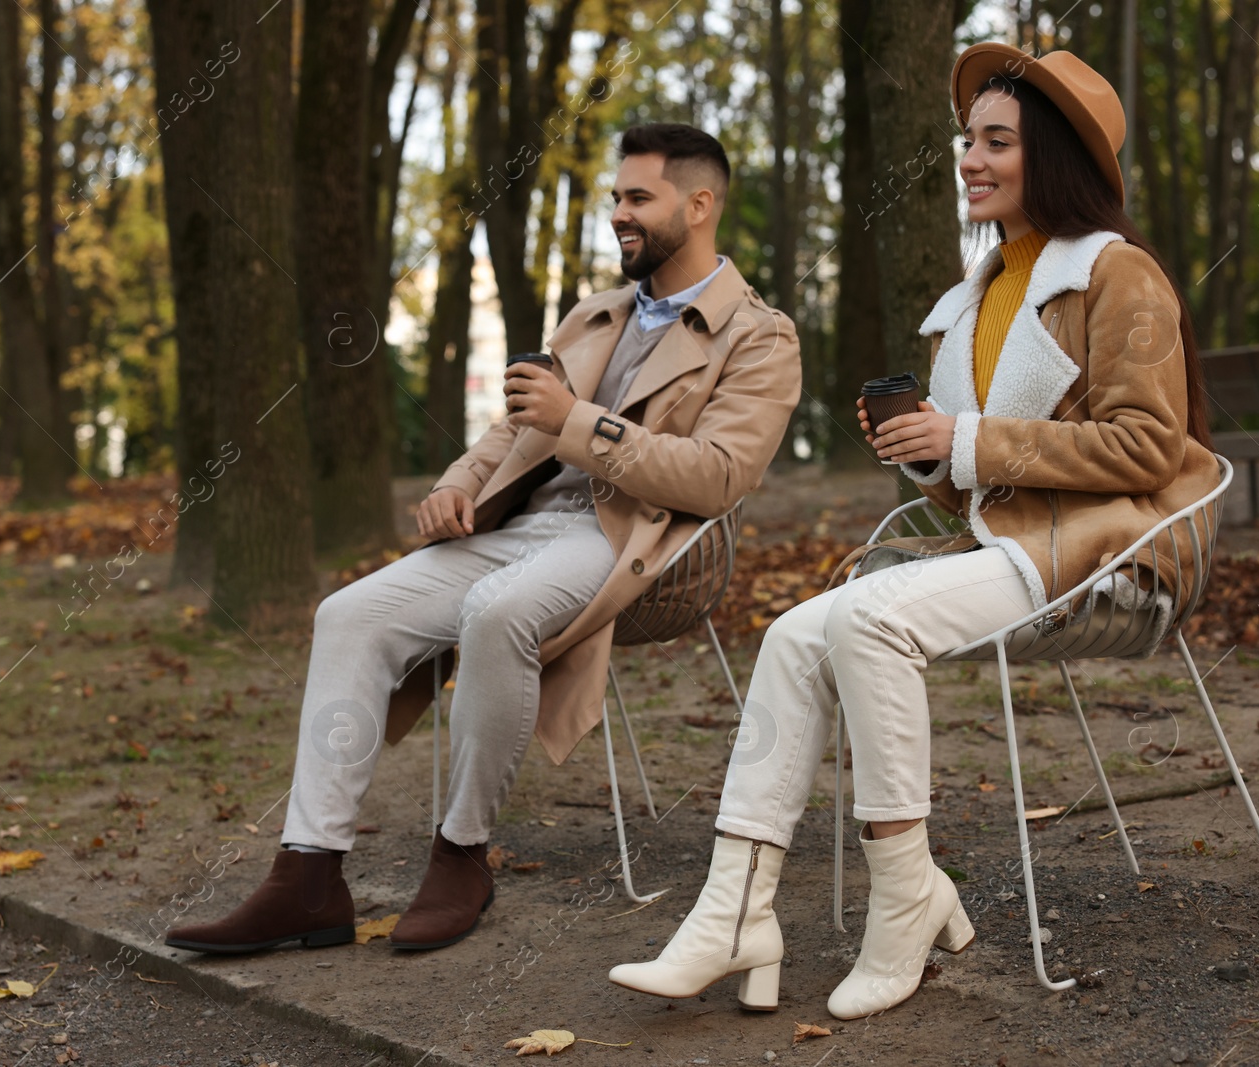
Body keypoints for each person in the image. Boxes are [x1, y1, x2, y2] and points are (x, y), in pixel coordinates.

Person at [609, 46, 1219, 1018]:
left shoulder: (1117, 272)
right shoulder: (972, 299)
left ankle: (907, 897)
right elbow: (980, 492)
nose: (968, 157)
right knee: (793, 630)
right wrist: (930, 457)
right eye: (964, 140)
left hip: (1117, 552)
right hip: (1015, 549)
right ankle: (732, 916)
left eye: (996, 140)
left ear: (1054, 155)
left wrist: (966, 438)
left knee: (869, 622)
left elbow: (1148, 447)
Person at [166, 123, 801, 955]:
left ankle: (461, 854)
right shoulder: (596, 313)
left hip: (629, 538)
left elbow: (720, 475)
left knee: (498, 612)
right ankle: (308, 875)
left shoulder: (760, 334)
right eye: (615, 197)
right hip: (525, 524)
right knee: (349, 613)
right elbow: (515, 432)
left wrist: (580, 422)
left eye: (638, 198)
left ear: (701, 203)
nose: (619, 213)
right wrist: (456, 484)